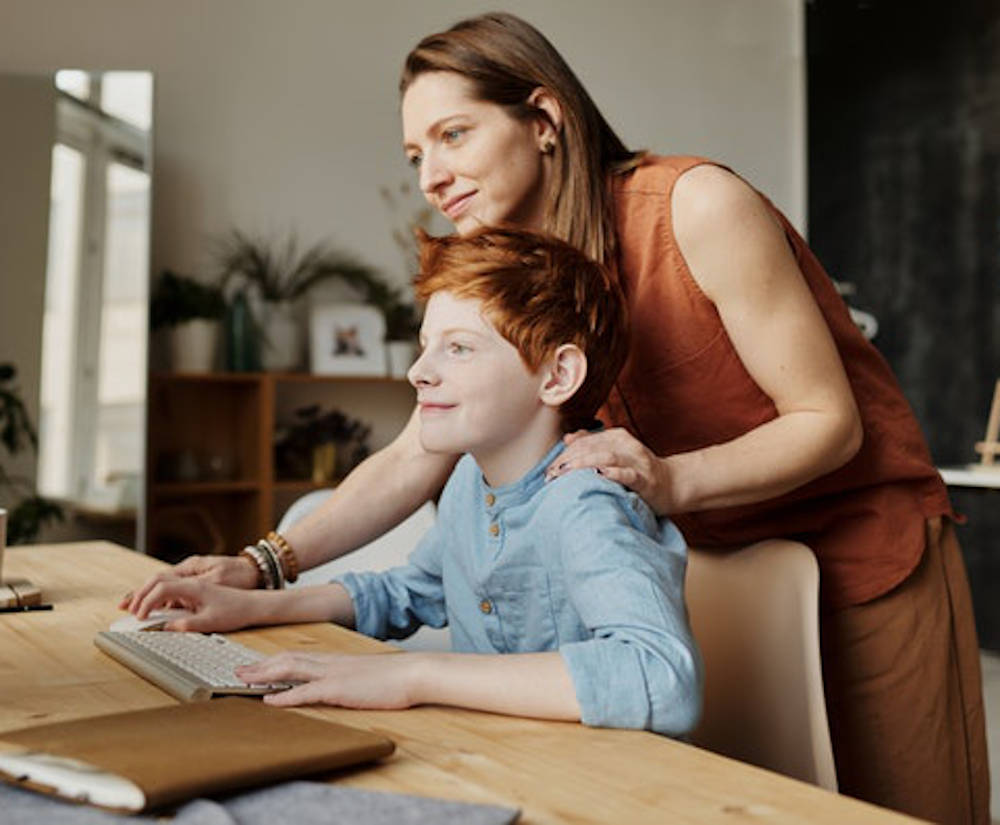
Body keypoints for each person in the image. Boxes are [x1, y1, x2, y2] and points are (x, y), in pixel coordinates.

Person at [125, 11, 988, 821]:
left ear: (544, 118)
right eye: (415, 153)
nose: (430, 175)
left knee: (901, 810)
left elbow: (827, 420)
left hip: (862, 553)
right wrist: (261, 563)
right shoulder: (504, 265)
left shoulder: (695, 206)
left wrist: (670, 477)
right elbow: (413, 453)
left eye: (454, 135)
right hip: (710, 562)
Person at [133, 227, 703, 736]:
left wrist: (414, 675)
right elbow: (411, 592)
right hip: (494, 755)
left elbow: (660, 676)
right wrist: (251, 606)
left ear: (558, 375)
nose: (418, 370)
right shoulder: (466, 484)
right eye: (426, 344)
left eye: (458, 348)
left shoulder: (586, 502)